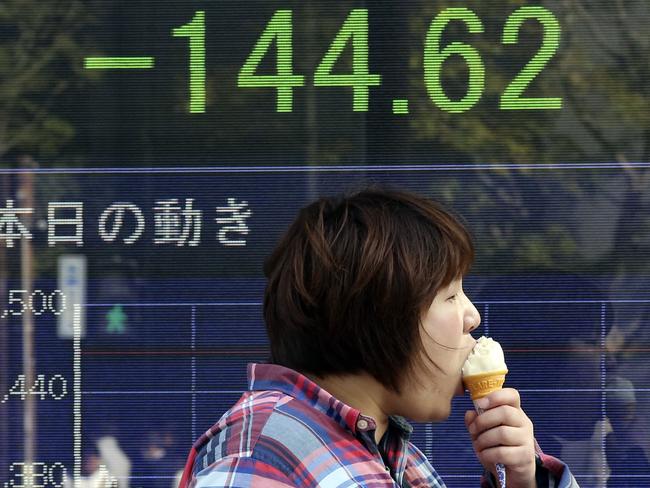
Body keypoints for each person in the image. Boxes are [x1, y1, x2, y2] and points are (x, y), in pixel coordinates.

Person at [179, 187, 578, 487]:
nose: (472, 316)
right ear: (380, 315)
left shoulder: (399, 455)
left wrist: (523, 479)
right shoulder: (262, 454)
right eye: (451, 295)